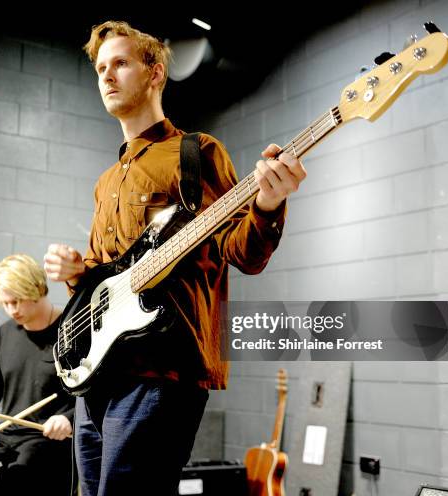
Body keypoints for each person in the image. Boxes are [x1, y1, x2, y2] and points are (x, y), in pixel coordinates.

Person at [43, 21, 307, 496]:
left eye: (120, 63)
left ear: (155, 73)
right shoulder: (106, 181)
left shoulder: (197, 152)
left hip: (164, 370)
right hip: (98, 372)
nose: (107, 75)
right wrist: (77, 273)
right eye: (100, 67)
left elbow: (242, 253)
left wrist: (267, 205)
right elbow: (107, 277)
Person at [0, 253, 76, 495]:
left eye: (16, 301)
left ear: (36, 289)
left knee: (18, 478)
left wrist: (69, 418)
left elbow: (92, 392)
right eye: (5, 303)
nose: (10, 310)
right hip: (8, 437)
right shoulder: (3, 334)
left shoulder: (70, 330)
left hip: (49, 441)